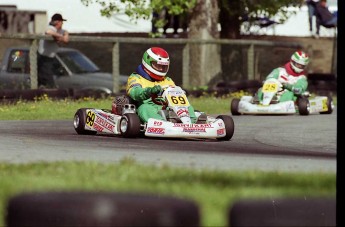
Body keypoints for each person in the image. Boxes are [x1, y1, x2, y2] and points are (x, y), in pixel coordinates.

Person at [125, 47, 198, 123]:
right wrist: (149, 91)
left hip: (166, 107)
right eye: (158, 65)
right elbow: (134, 92)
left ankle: (192, 123)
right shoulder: (136, 77)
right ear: (147, 62)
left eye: (163, 67)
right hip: (149, 106)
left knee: (187, 106)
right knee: (144, 108)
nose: (161, 69)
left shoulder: (167, 80)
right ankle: (162, 124)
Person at [37, 13, 69, 88]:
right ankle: (51, 92)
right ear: (57, 22)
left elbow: (66, 39)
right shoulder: (51, 28)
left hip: (51, 57)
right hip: (44, 57)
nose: (62, 23)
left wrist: (64, 34)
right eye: (61, 21)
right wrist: (60, 36)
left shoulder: (60, 30)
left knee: (50, 75)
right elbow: (48, 32)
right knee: (47, 78)